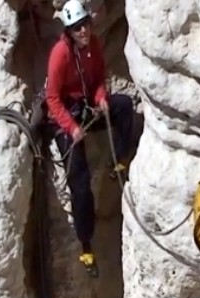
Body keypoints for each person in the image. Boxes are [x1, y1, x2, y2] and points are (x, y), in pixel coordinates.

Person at [45, 0, 134, 275]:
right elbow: (51, 99)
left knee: (125, 107)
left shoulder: (92, 45)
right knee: (80, 185)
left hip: (85, 107)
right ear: (69, 31)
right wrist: (71, 128)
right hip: (64, 118)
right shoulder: (60, 54)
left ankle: (119, 160)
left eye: (85, 25)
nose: (83, 31)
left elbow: (98, 80)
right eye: (77, 28)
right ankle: (86, 245)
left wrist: (101, 99)